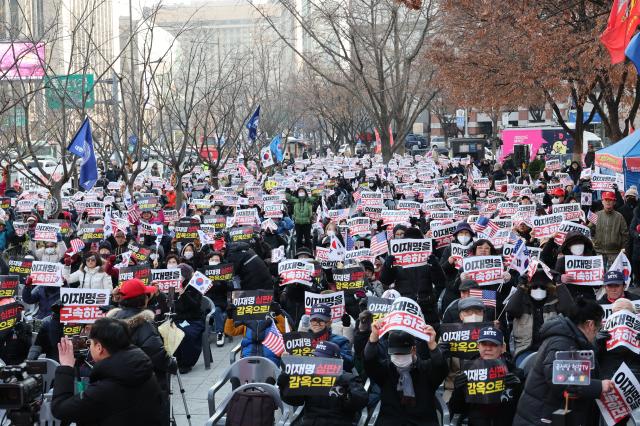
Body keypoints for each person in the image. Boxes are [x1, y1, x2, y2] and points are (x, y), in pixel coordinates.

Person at [513, 298, 612, 426]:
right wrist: (599, 386)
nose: (597, 333)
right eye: (598, 327)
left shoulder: (571, 338)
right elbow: (561, 381)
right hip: (540, 418)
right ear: (590, 325)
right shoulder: (561, 343)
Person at [51, 317, 163, 425]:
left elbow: (61, 409)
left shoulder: (105, 388)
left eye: (90, 343)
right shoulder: (143, 369)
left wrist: (66, 367)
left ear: (99, 348)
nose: (89, 347)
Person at [108, 278, 174, 425]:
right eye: (146, 295)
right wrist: (172, 362)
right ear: (141, 300)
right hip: (146, 388)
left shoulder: (111, 322)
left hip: (117, 388)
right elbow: (157, 355)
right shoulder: (144, 324)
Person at [364, 325, 446, 425]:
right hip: (390, 421)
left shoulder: (426, 369)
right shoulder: (386, 369)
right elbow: (369, 361)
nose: (399, 357)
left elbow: (440, 367)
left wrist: (432, 344)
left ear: (414, 350)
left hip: (422, 421)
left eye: (403, 353)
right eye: (396, 354)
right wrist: (373, 338)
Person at [277, 340, 368, 426]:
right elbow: (295, 401)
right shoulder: (308, 377)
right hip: (310, 422)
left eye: (322, 358)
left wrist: (344, 388)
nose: (318, 360)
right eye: (316, 357)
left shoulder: (348, 378)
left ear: (335, 360)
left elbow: (360, 402)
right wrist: (285, 378)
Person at [449, 327, 523, 426]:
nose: (488, 348)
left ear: (502, 348)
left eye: (493, 344)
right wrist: (458, 390)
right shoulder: (468, 371)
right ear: (478, 346)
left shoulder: (515, 372)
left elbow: (525, 409)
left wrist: (518, 389)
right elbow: (456, 409)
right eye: (484, 344)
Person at [506, 268, 561, 367]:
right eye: (535, 287)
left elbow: (570, 310)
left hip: (550, 349)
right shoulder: (521, 302)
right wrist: (521, 286)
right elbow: (511, 310)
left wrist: (560, 285)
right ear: (529, 288)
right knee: (528, 368)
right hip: (525, 350)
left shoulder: (555, 302)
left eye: (542, 287)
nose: (538, 289)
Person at [590, 191, 629, 267]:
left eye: (610, 200)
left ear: (614, 202)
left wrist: (624, 249)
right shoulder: (595, 215)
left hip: (615, 254)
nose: (608, 202)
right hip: (598, 253)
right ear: (602, 202)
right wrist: (593, 241)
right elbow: (588, 230)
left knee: (613, 278)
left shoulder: (619, 217)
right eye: (606, 200)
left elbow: (625, 235)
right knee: (599, 277)